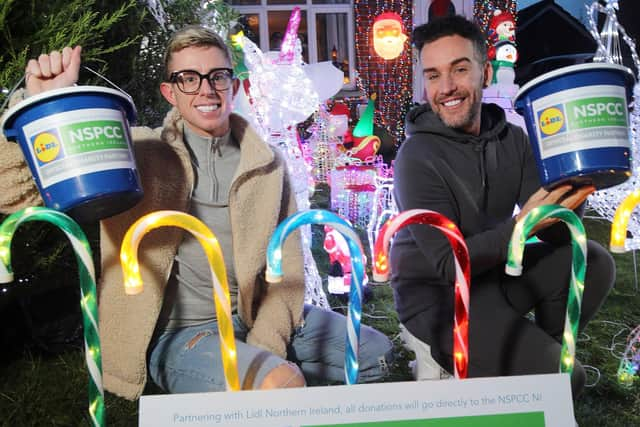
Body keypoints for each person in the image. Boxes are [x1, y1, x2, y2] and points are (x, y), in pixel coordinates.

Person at [0, 26, 393, 400]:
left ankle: (252, 380)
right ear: (170, 92)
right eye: (189, 78)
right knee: (277, 384)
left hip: (253, 317)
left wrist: (264, 344)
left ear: (234, 86)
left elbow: (287, 272)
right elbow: (9, 192)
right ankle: (249, 382)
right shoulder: (135, 154)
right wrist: (38, 109)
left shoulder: (269, 166)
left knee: (375, 352)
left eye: (218, 76)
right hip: (179, 333)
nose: (206, 89)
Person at [391, 15, 615, 398]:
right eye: (432, 75)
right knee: (565, 380)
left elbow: (560, 234)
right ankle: (512, 362)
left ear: (485, 72)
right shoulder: (416, 157)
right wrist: (523, 224)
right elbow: (449, 265)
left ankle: (531, 353)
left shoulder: (512, 139)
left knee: (593, 260)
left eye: (459, 70)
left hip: (493, 276)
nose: (446, 88)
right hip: (440, 298)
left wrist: (573, 190)